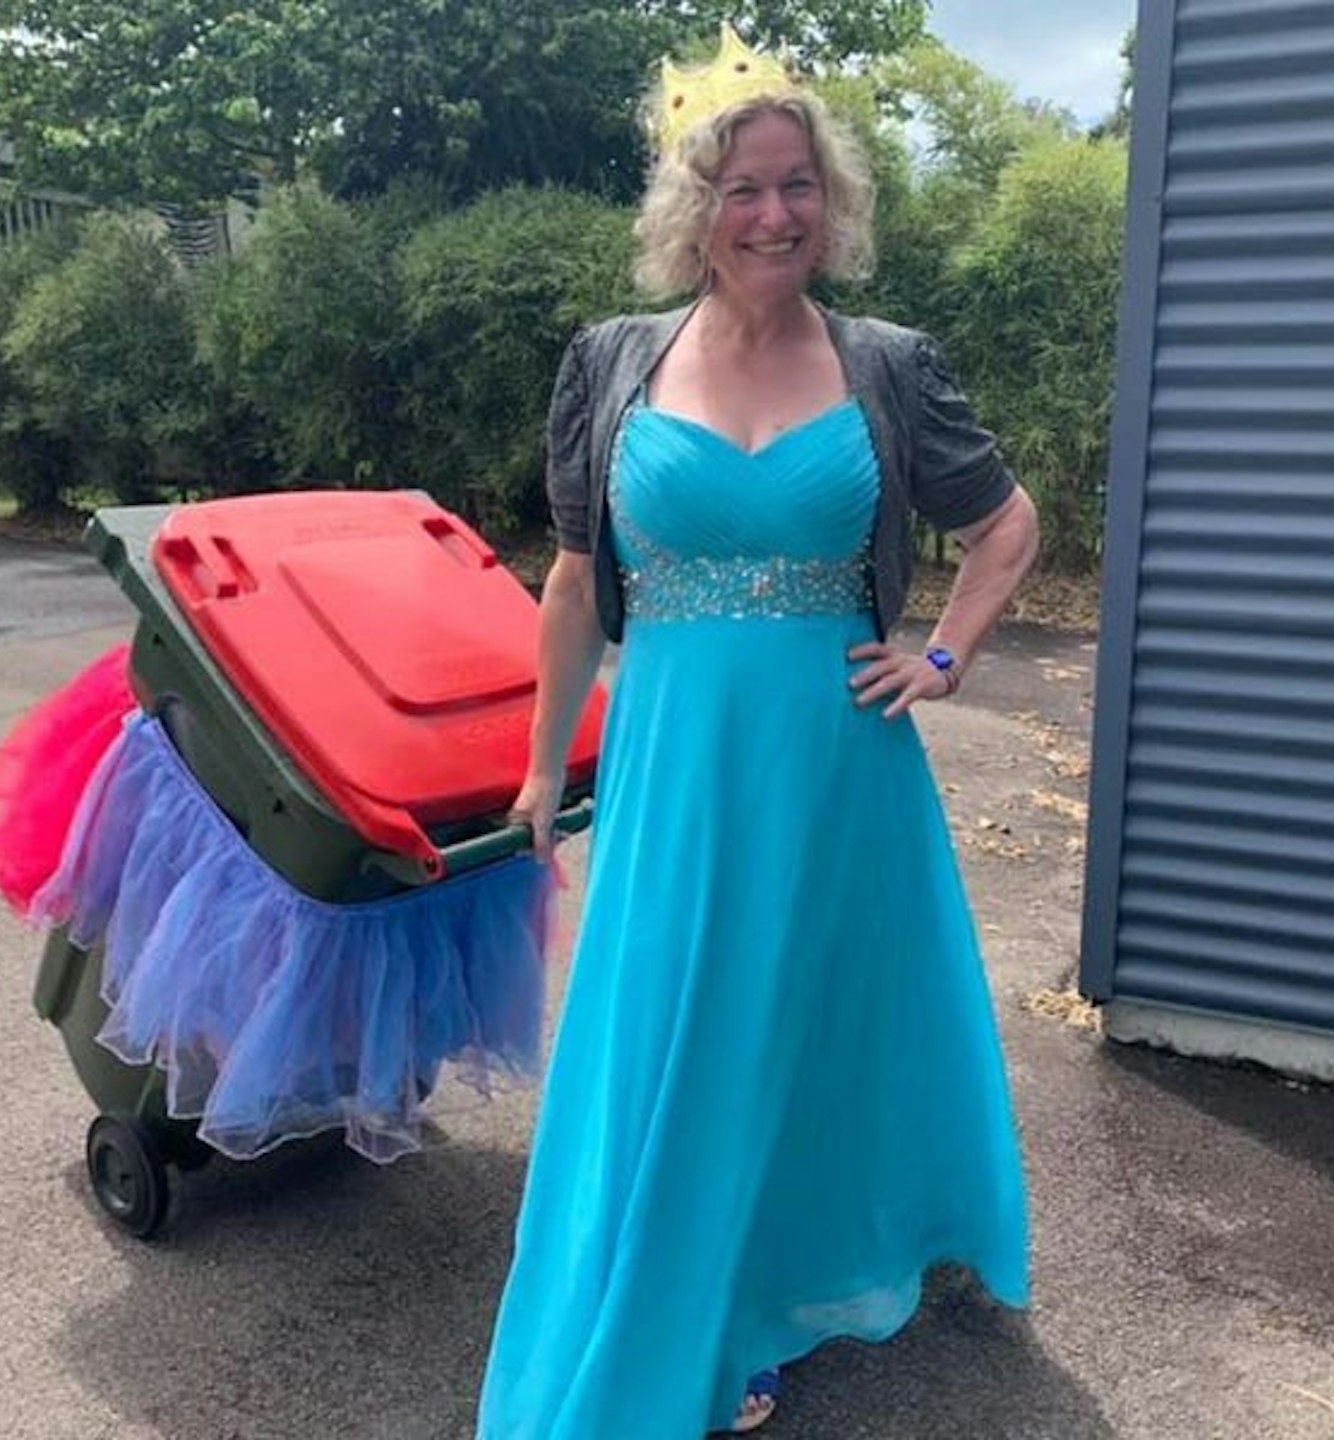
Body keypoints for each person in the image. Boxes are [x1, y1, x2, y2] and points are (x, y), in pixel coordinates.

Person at [478, 27, 1039, 1438]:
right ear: (693, 211)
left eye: (797, 186)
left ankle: (781, 1275)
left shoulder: (888, 365)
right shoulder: (610, 363)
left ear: (829, 201)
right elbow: (568, 576)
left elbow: (1007, 524)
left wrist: (946, 655)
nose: (774, 215)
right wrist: (548, 761)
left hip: (836, 763)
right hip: (674, 757)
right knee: (681, 1024)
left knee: (800, 1019)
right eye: (742, 190)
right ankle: (692, 1299)